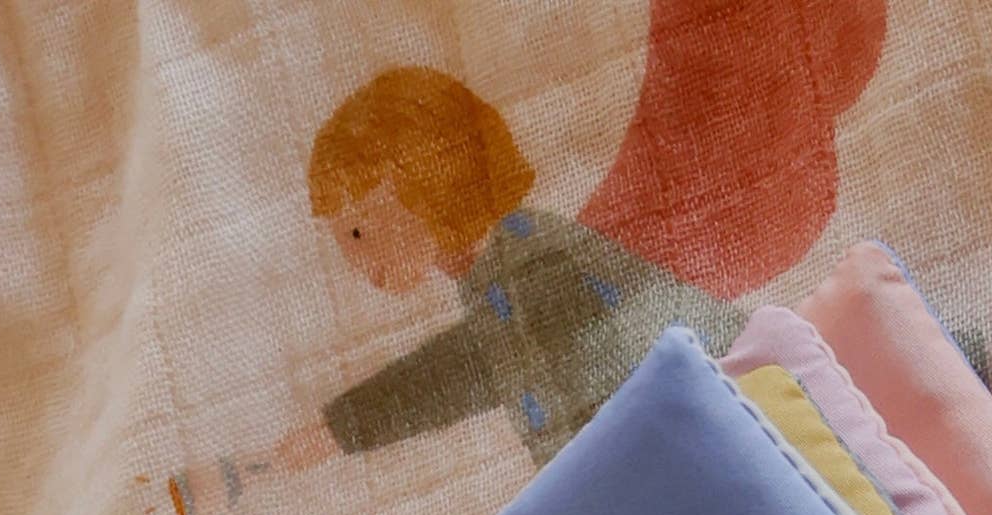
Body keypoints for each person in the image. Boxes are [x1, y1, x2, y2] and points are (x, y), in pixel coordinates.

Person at [272, 67, 728, 485]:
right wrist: (342, 427)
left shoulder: (531, 259)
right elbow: (477, 363)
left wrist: (345, 426)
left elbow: (467, 367)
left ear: (426, 182)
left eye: (358, 231)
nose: (357, 262)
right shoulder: (497, 273)